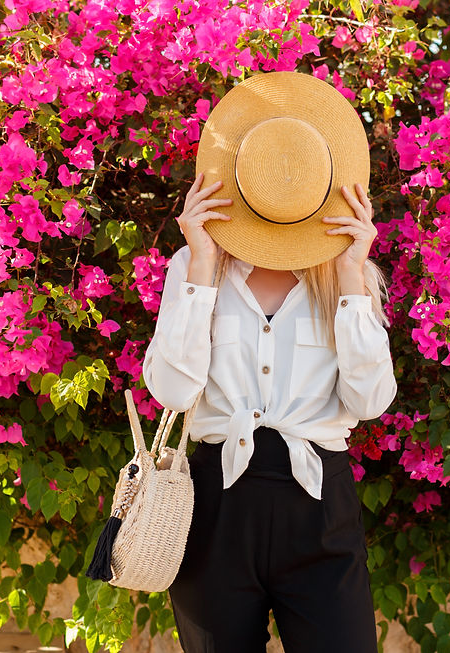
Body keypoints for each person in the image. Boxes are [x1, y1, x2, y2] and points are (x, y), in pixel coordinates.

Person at [141, 73, 396, 653]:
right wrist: (202, 266)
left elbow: (371, 402)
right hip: (216, 505)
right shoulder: (193, 265)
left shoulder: (349, 275)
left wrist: (354, 277)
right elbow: (174, 392)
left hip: (318, 505)